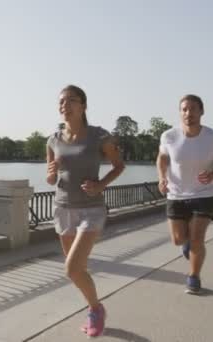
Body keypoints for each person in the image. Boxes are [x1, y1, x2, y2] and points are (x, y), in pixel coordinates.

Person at [46, 85, 125, 337]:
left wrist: (100, 184)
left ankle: (95, 310)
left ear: (83, 106)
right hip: (63, 209)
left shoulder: (99, 136)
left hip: (91, 209)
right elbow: (50, 178)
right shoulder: (53, 140)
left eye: (71, 100)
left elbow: (119, 165)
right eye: (61, 102)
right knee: (77, 269)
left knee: (71, 269)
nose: (64, 105)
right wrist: (49, 175)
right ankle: (95, 307)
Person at [156, 94, 213, 294]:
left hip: (205, 194)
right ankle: (188, 245)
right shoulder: (169, 136)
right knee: (178, 239)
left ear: (201, 111)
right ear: (180, 112)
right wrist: (162, 177)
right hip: (176, 195)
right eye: (184, 109)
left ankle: (194, 277)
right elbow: (162, 158)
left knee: (198, 239)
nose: (188, 113)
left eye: (193, 109)